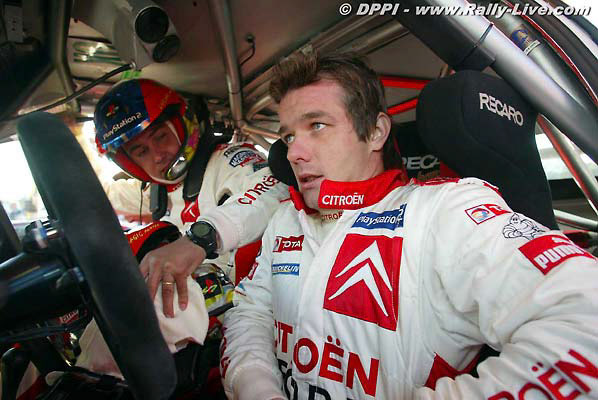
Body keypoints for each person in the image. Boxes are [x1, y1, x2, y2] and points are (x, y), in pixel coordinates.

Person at [220, 52, 598, 400]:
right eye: (288, 136)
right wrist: (256, 385)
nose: (294, 153)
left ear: (375, 132)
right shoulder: (287, 219)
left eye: (317, 125)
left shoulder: (443, 211)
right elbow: (250, 312)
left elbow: (587, 319)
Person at [94, 78, 288, 317]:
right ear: (130, 163)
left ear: (180, 125)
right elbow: (102, 198)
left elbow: (274, 191)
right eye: (141, 151)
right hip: (196, 320)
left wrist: (200, 239)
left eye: (160, 137)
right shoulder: (153, 193)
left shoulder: (229, 160)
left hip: (252, 315)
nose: (157, 155)